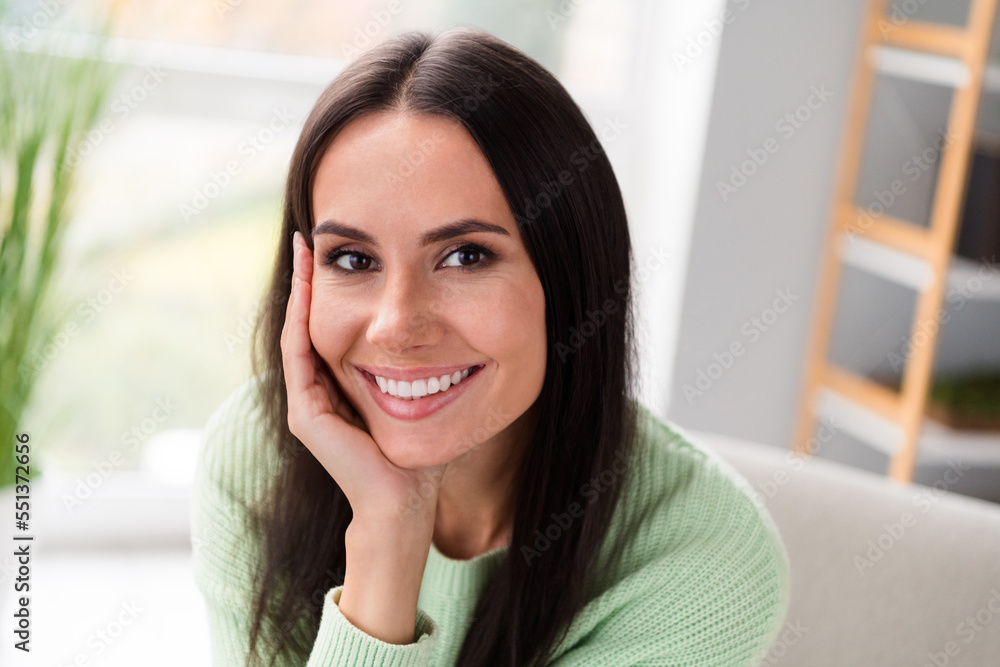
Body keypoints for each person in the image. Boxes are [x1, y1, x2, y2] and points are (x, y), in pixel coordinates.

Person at [191, 26, 791, 667]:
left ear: (571, 279)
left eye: (465, 256)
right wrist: (389, 533)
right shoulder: (255, 460)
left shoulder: (705, 564)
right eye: (353, 258)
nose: (396, 325)